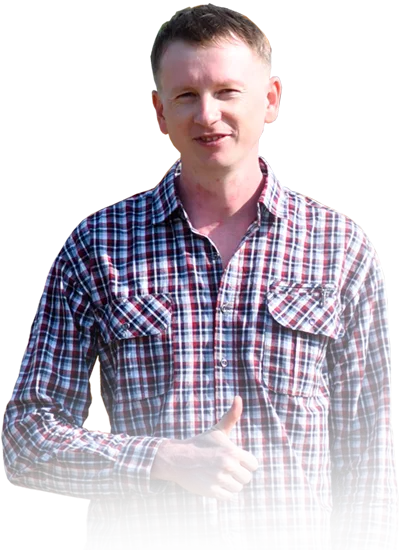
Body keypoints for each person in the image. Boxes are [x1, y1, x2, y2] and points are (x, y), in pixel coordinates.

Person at [2, 5, 399, 549]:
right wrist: (163, 458)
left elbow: (370, 456)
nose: (207, 115)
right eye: (187, 95)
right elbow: (26, 437)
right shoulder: (97, 249)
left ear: (271, 100)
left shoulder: (339, 249)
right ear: (160, 113)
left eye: (227, 91)